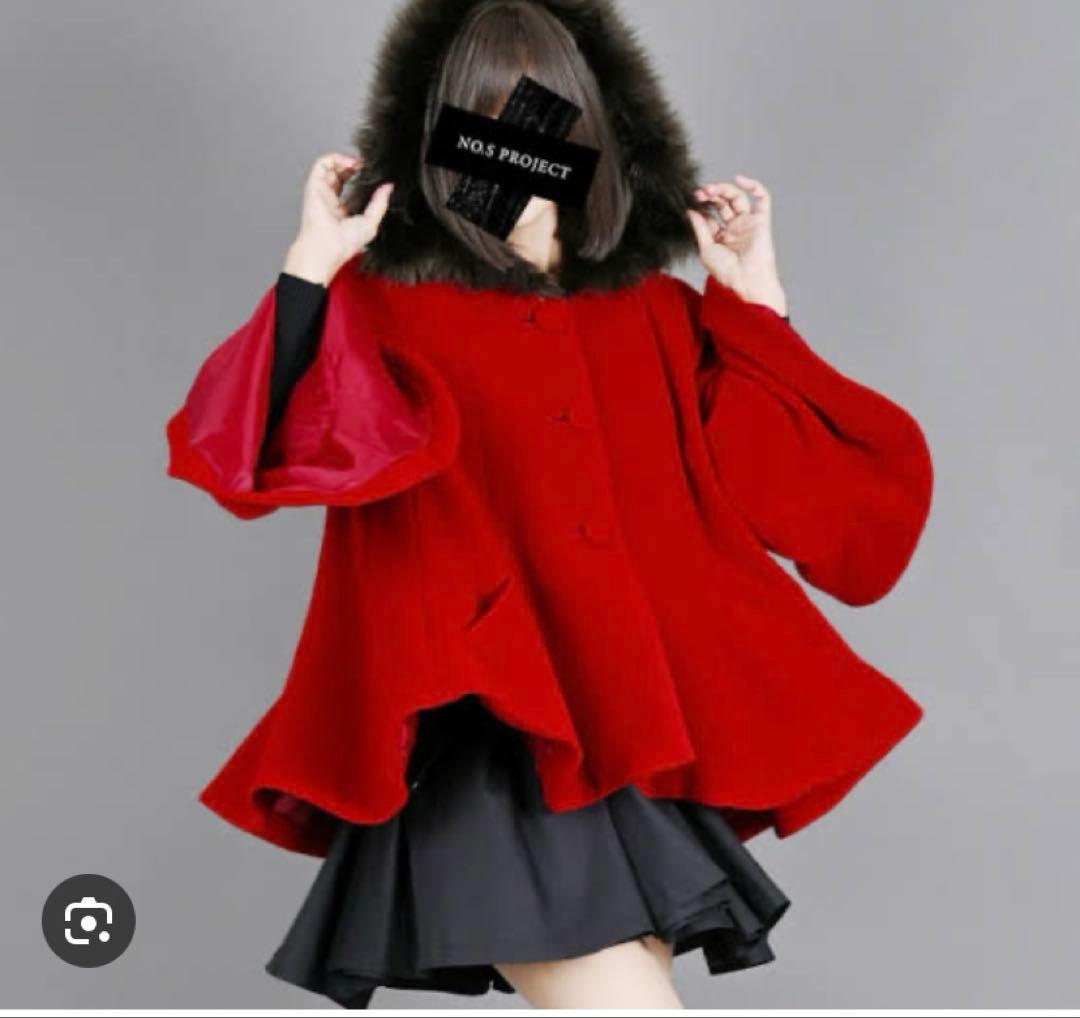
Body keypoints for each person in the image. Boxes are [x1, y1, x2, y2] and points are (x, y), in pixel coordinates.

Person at [164, 0, 934, 1008]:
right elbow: (247, 449)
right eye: (481, 128)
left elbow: (813, 503)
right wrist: (311, 267)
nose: (515, 159)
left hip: (620, 750)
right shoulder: (388, 312)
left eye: (543, 127)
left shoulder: (653, 313)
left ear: (598, 140)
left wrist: (756, 302)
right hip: (486, 757)